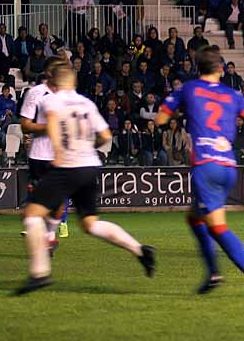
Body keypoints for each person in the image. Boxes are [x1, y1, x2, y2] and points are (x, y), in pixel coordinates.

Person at [14, 63, 156, 294]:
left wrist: (59, 153)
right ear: (74, 82)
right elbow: (106, 135)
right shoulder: (86, 103)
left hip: (67, 166)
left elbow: (52, 128)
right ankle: (140, 250)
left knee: (31, 215)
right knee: (90, 223)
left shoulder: (51, 100)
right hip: (89, 165)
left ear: (54, 83)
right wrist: (89, 147)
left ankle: (40, 273)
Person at [155, 46, 244, 296]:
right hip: (228, 166)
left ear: (198, 68)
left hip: (206, 166)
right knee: (195, 219)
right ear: (220, 69)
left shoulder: (189, 88)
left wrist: (183, 109)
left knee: (217, 227)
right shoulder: (233, 94)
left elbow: (160, 120)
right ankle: (213, 273)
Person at [19, 57, 71, 241]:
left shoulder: (68, 94)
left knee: (60, 198)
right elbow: (25, 125)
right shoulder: (35, 93)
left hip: (61, 154)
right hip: (39, 154)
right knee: (39, 197)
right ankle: (39, 230)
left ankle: (49, 234)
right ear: (50, 72)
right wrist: (48, 127)